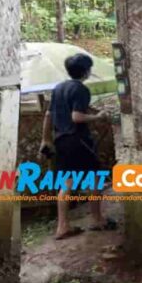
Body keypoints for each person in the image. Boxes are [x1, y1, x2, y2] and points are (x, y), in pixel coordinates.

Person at [39, 53, 115, 240]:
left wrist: (45, 139)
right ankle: (97, 220)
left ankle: (62, 226)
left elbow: (48, 116)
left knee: (66, 183)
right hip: (77, 139)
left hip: (61, 140)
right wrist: (99, 116)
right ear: (86, 71)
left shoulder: (58, 88)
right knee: (95, 179)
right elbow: (77, 117)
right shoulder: (80, 89)